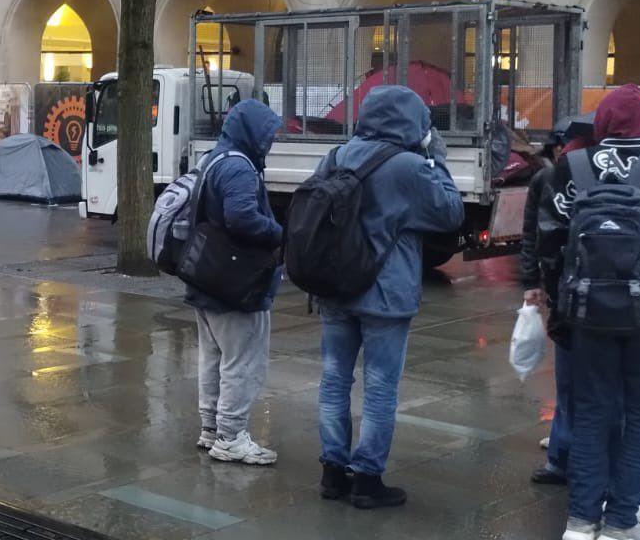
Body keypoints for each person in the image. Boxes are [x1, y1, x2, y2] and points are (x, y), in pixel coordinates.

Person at [315, 86, 463, 510]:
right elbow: (450, 212)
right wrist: (437, 158)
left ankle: (331, 472)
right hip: (386, 294)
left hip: (336, 287)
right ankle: (366, 479)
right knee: (380, 387)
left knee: (334, 379)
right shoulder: (410, 166)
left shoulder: (337, 156)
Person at [538, 84, 640, 540]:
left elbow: (551, 245)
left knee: (590, 413)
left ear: (601, 122)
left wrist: (561, 305)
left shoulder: (574, 166)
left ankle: (581, 522)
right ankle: (623, 521)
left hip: (587, 313)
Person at [189, 100, 285, 466]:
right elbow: (242, 217)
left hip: (207, 275)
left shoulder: (213, 159)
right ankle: (230, 437)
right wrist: (278, 233)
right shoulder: (239, 169)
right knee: (242, 360)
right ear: (253, 132)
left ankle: (211, 428)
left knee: (212, 357)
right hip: (235, 281)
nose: (271, 141)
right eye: (268, 133)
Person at [526, 117, 594, 487]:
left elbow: (541, 239)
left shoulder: (561, 175)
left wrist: (546, 290)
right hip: (626, 303)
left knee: (569, 385)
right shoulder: (633, 174)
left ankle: (563, 459)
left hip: (572, 299)